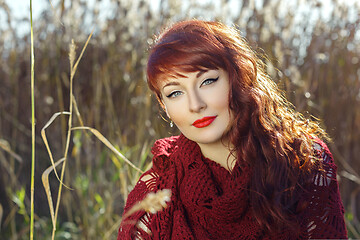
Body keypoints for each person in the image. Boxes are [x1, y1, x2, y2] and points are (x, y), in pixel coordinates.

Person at [117, 20, 347, 239]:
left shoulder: (305, 160)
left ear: (238, 78)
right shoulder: (155, 193)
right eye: (175, 93)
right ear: (164, 106)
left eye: (207, 81)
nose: (195, 105)